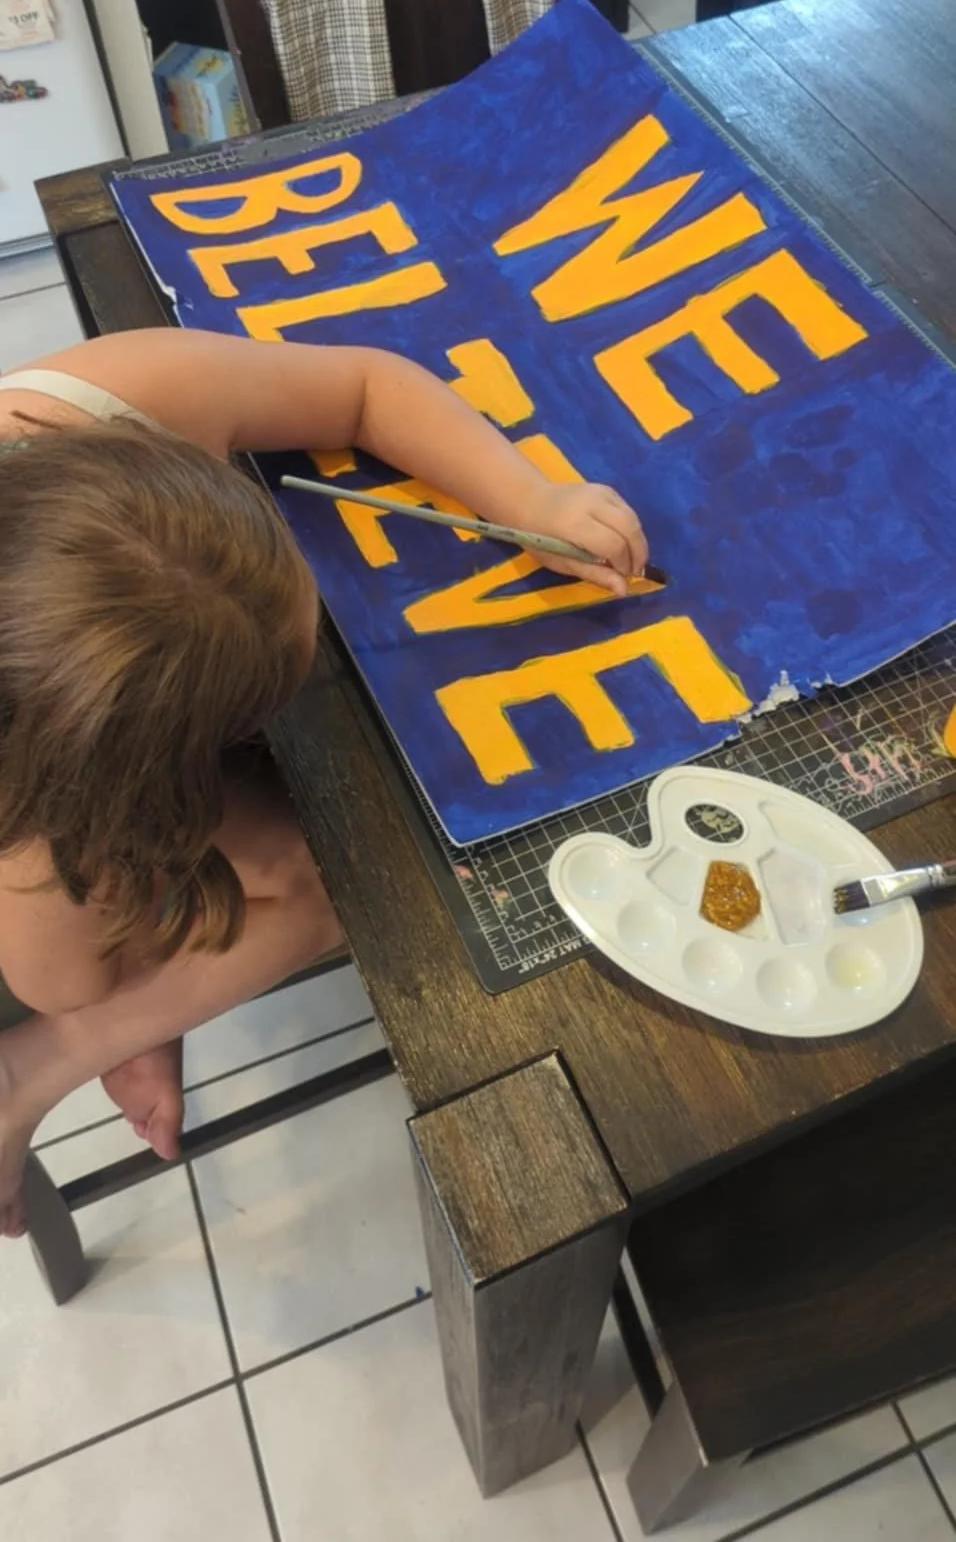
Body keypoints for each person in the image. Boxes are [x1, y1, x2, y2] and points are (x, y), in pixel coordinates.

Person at [0, 327, 646, 1238]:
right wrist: (123, 996)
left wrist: (531, 498)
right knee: (331, 881)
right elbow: (65, 980)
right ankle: (22, 1077)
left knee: (314, 868)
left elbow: (364, 386)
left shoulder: (107, 397)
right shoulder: (37, 832)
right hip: (47, 838)